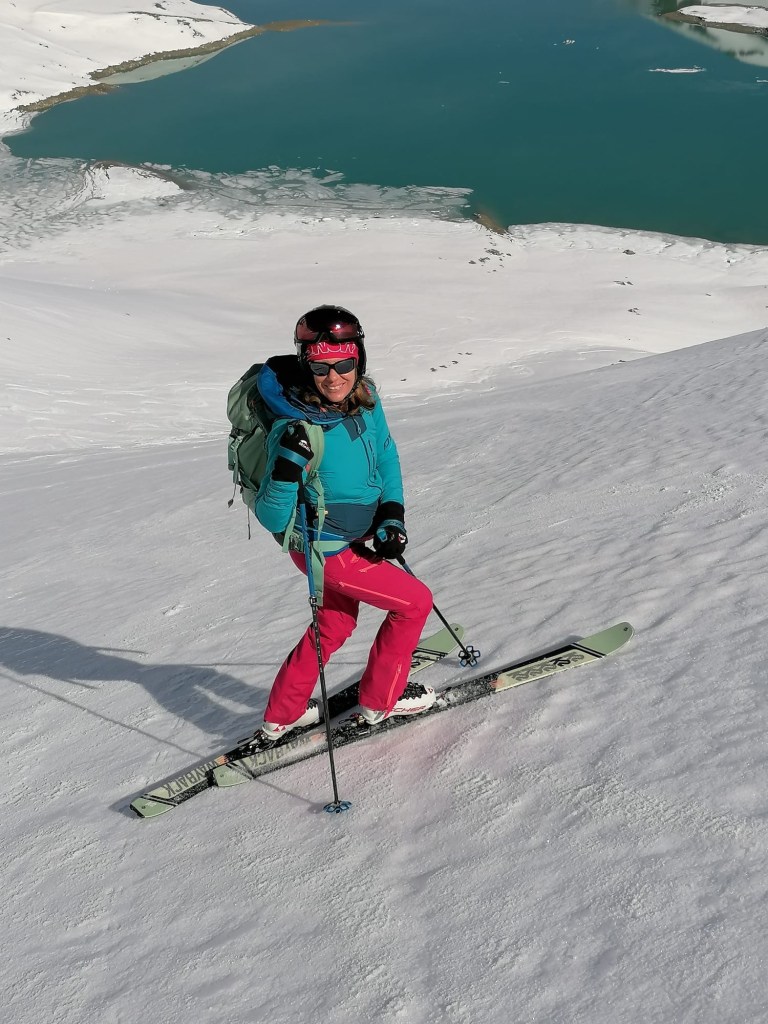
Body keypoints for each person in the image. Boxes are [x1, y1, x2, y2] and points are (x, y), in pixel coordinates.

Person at [252, 304, 436, 742]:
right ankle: (381, 702)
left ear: (359, 360)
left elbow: (386, 454)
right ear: (306, 365)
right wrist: (285, 471)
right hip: (325, 548)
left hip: (355, 535)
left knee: (335, 622)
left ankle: (284, 713)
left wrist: (391, 513)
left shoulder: (366, 398)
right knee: (414, 603)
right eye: (320, 367)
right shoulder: (296, 426)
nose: (334, 377)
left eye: (344, 364)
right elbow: (272, 518)